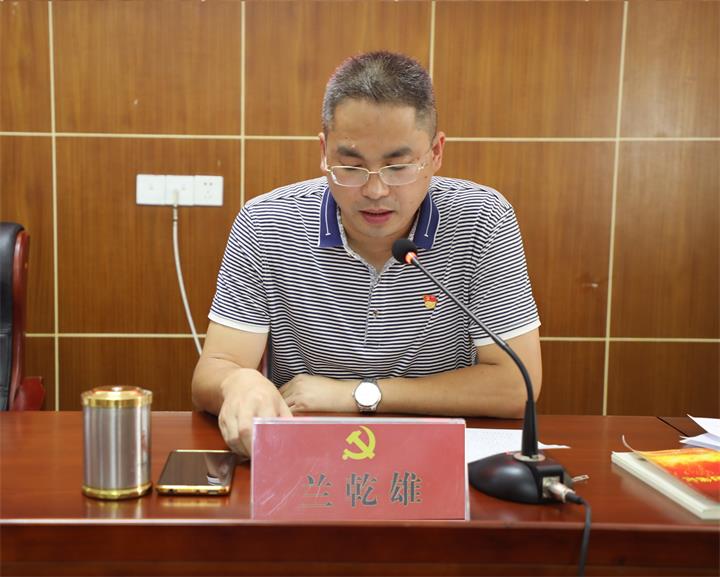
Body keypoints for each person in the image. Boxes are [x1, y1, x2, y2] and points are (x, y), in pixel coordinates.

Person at [192, 51, 542, 458]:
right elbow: (214, 369)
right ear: (324, 152)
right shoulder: (267, 222)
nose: (375, 191)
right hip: (307, 461)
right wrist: (237, 382)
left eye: (398, 167)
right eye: (352, 166)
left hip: (435, 459)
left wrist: (360, 395)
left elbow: (516, 385)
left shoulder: (481, 219)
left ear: (435, 153)